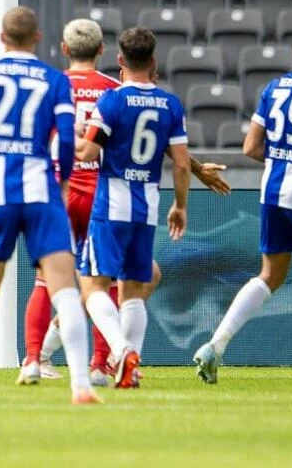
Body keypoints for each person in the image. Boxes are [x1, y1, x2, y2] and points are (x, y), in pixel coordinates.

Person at [21, 20, 231, 387]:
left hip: (84, 196)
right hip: (142, 203)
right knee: (133, 284)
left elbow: (73, 144)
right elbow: (175, 155)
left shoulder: (80, 93)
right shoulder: (150, 98)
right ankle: (110, 365)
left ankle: (47, 359)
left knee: (70, 283)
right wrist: (189, 188)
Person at [0, 6, 99, 405]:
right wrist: (62, 183)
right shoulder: (54, 80)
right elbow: (66, 136)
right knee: (64, 288)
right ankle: (81, 385)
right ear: (39, 37)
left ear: (1, 37)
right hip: (41, 190)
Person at [194, 25, 292, 384]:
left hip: (273, 189)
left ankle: (215, 345)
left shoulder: (275, 88)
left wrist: (285, 158)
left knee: (270, 275)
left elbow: (250, 147)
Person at [75, 27, 191, 388]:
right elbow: (182, 164)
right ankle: (132, 371)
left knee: (93, 287)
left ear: (121, 61)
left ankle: (123, 350)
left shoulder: (111, 101)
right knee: (134, 289)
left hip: (111, 203)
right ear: (154, 62)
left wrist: (70, 136)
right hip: (148, 206)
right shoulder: (170, 104)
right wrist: (181, 206)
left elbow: (89, 153)